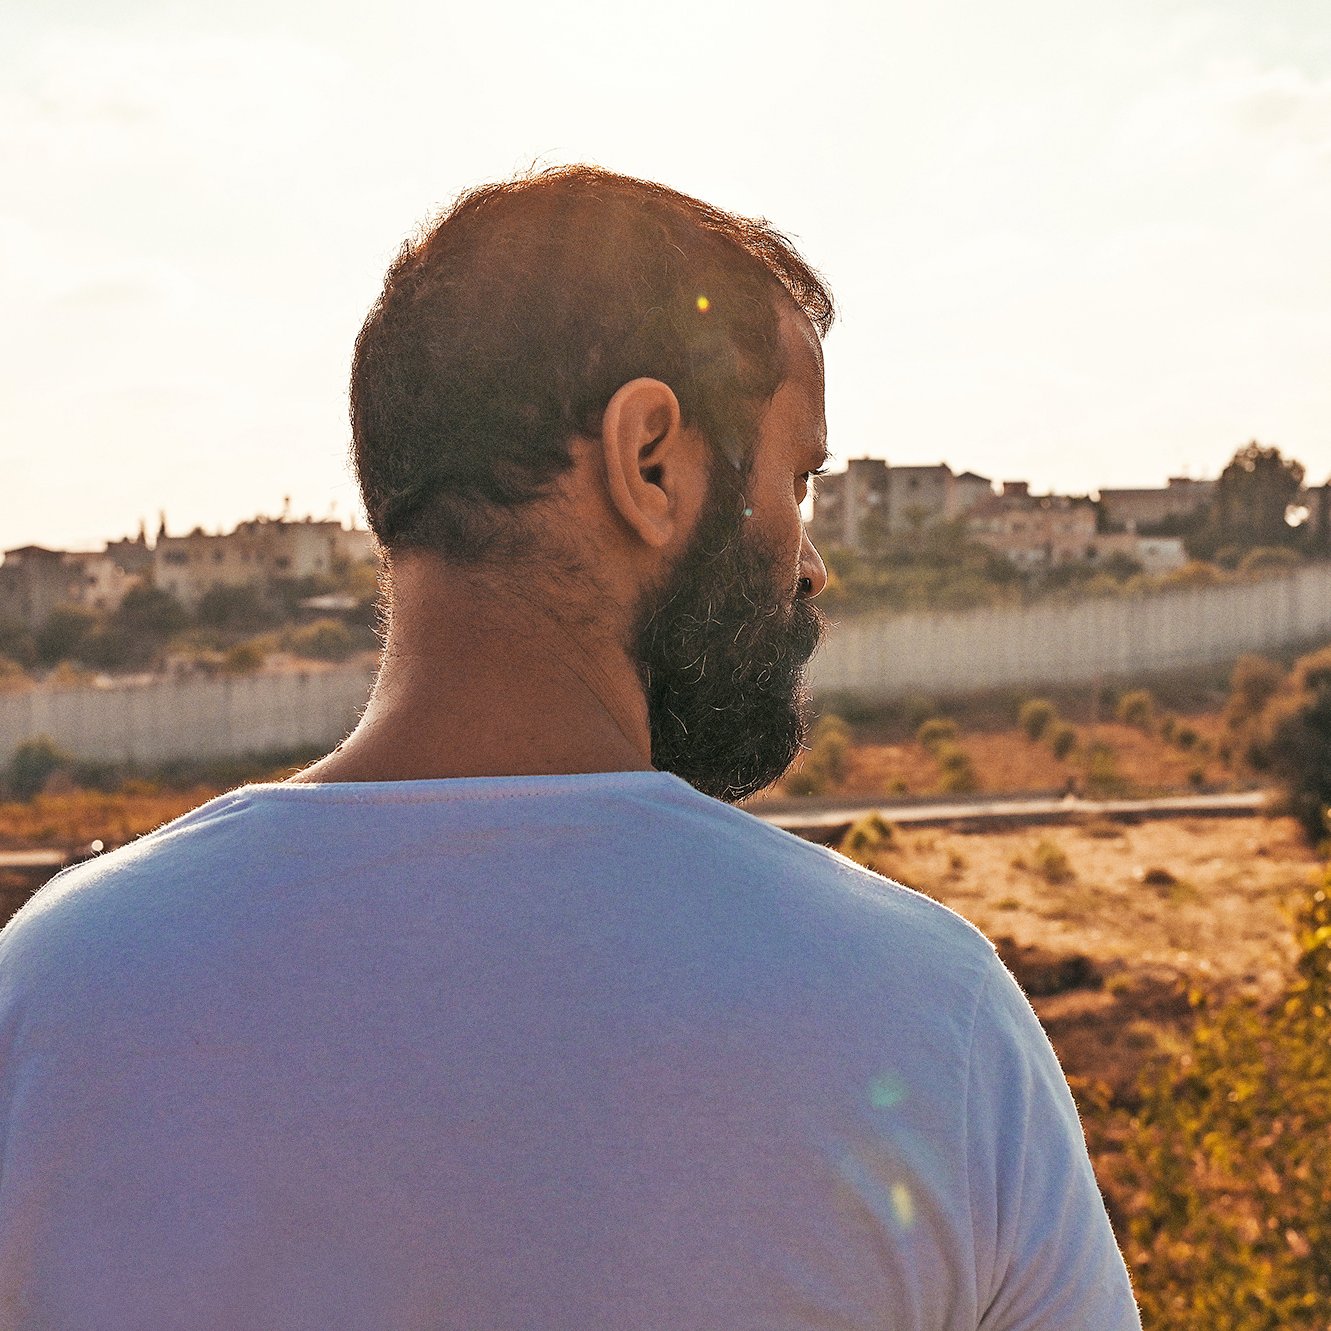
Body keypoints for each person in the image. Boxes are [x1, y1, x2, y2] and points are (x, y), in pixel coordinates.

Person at [0, 166, 1140, 1329]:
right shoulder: (926, 1017)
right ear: (649, 460)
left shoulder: (55, 991)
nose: (810, 563)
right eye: (797, 481)